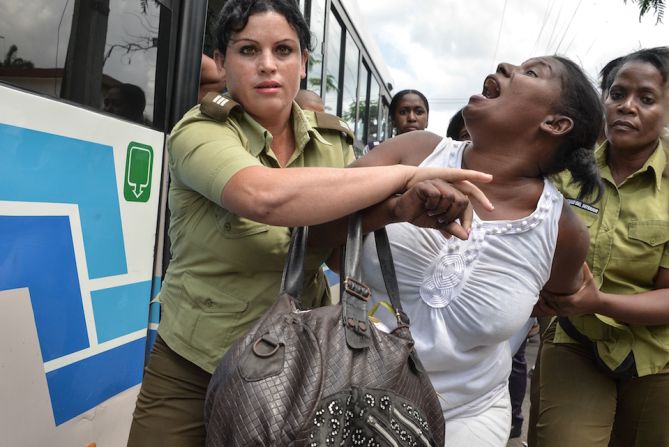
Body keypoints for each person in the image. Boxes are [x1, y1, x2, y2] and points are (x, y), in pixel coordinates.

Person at [126, 1, 492, 446]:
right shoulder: (199, 131)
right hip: (194, 363)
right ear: (221, 62)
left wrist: (397, 211)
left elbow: (335, 248)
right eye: (247, 51)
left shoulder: (332, 143)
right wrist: (407, 174)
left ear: (303, 63)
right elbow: (264, 197)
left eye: (283, 50)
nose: (267, 65)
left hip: (297, 370)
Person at [352, 55, 604, 446]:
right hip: (346, 390)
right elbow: (317, 227)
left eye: (532, 72)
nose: (505, 66)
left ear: (555, 124)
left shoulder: (563, 230)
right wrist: (395, 209)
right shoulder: (415, 152)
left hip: (467, 416)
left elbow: (547, 303)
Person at [530, 47, 669, 447]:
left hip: (657, 352)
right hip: (576, 337)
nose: (627, 107)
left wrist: (598, 301)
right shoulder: (564, 168)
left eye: (646, 98)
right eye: (617, 94)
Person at [366, 88, 430, 151]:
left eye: (419, 112)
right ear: (393, 119)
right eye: (403, 112)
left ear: (427, 120)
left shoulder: (437, 153)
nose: (411, 118)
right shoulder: (374, 149)